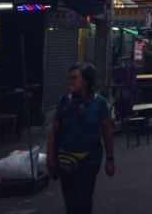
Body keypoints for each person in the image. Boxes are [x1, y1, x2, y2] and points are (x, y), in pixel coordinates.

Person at [46, 63, 114, 214]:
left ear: (86, 82)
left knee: (84, 198)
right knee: (70, 201)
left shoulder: (99, 103)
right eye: (69, 78)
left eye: (74, 78)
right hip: (65, 160)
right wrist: (50, 155)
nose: (70, 81)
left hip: (89, 160)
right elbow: (54, 131)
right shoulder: (64, 102)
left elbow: (107, 132)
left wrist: (110, 160)